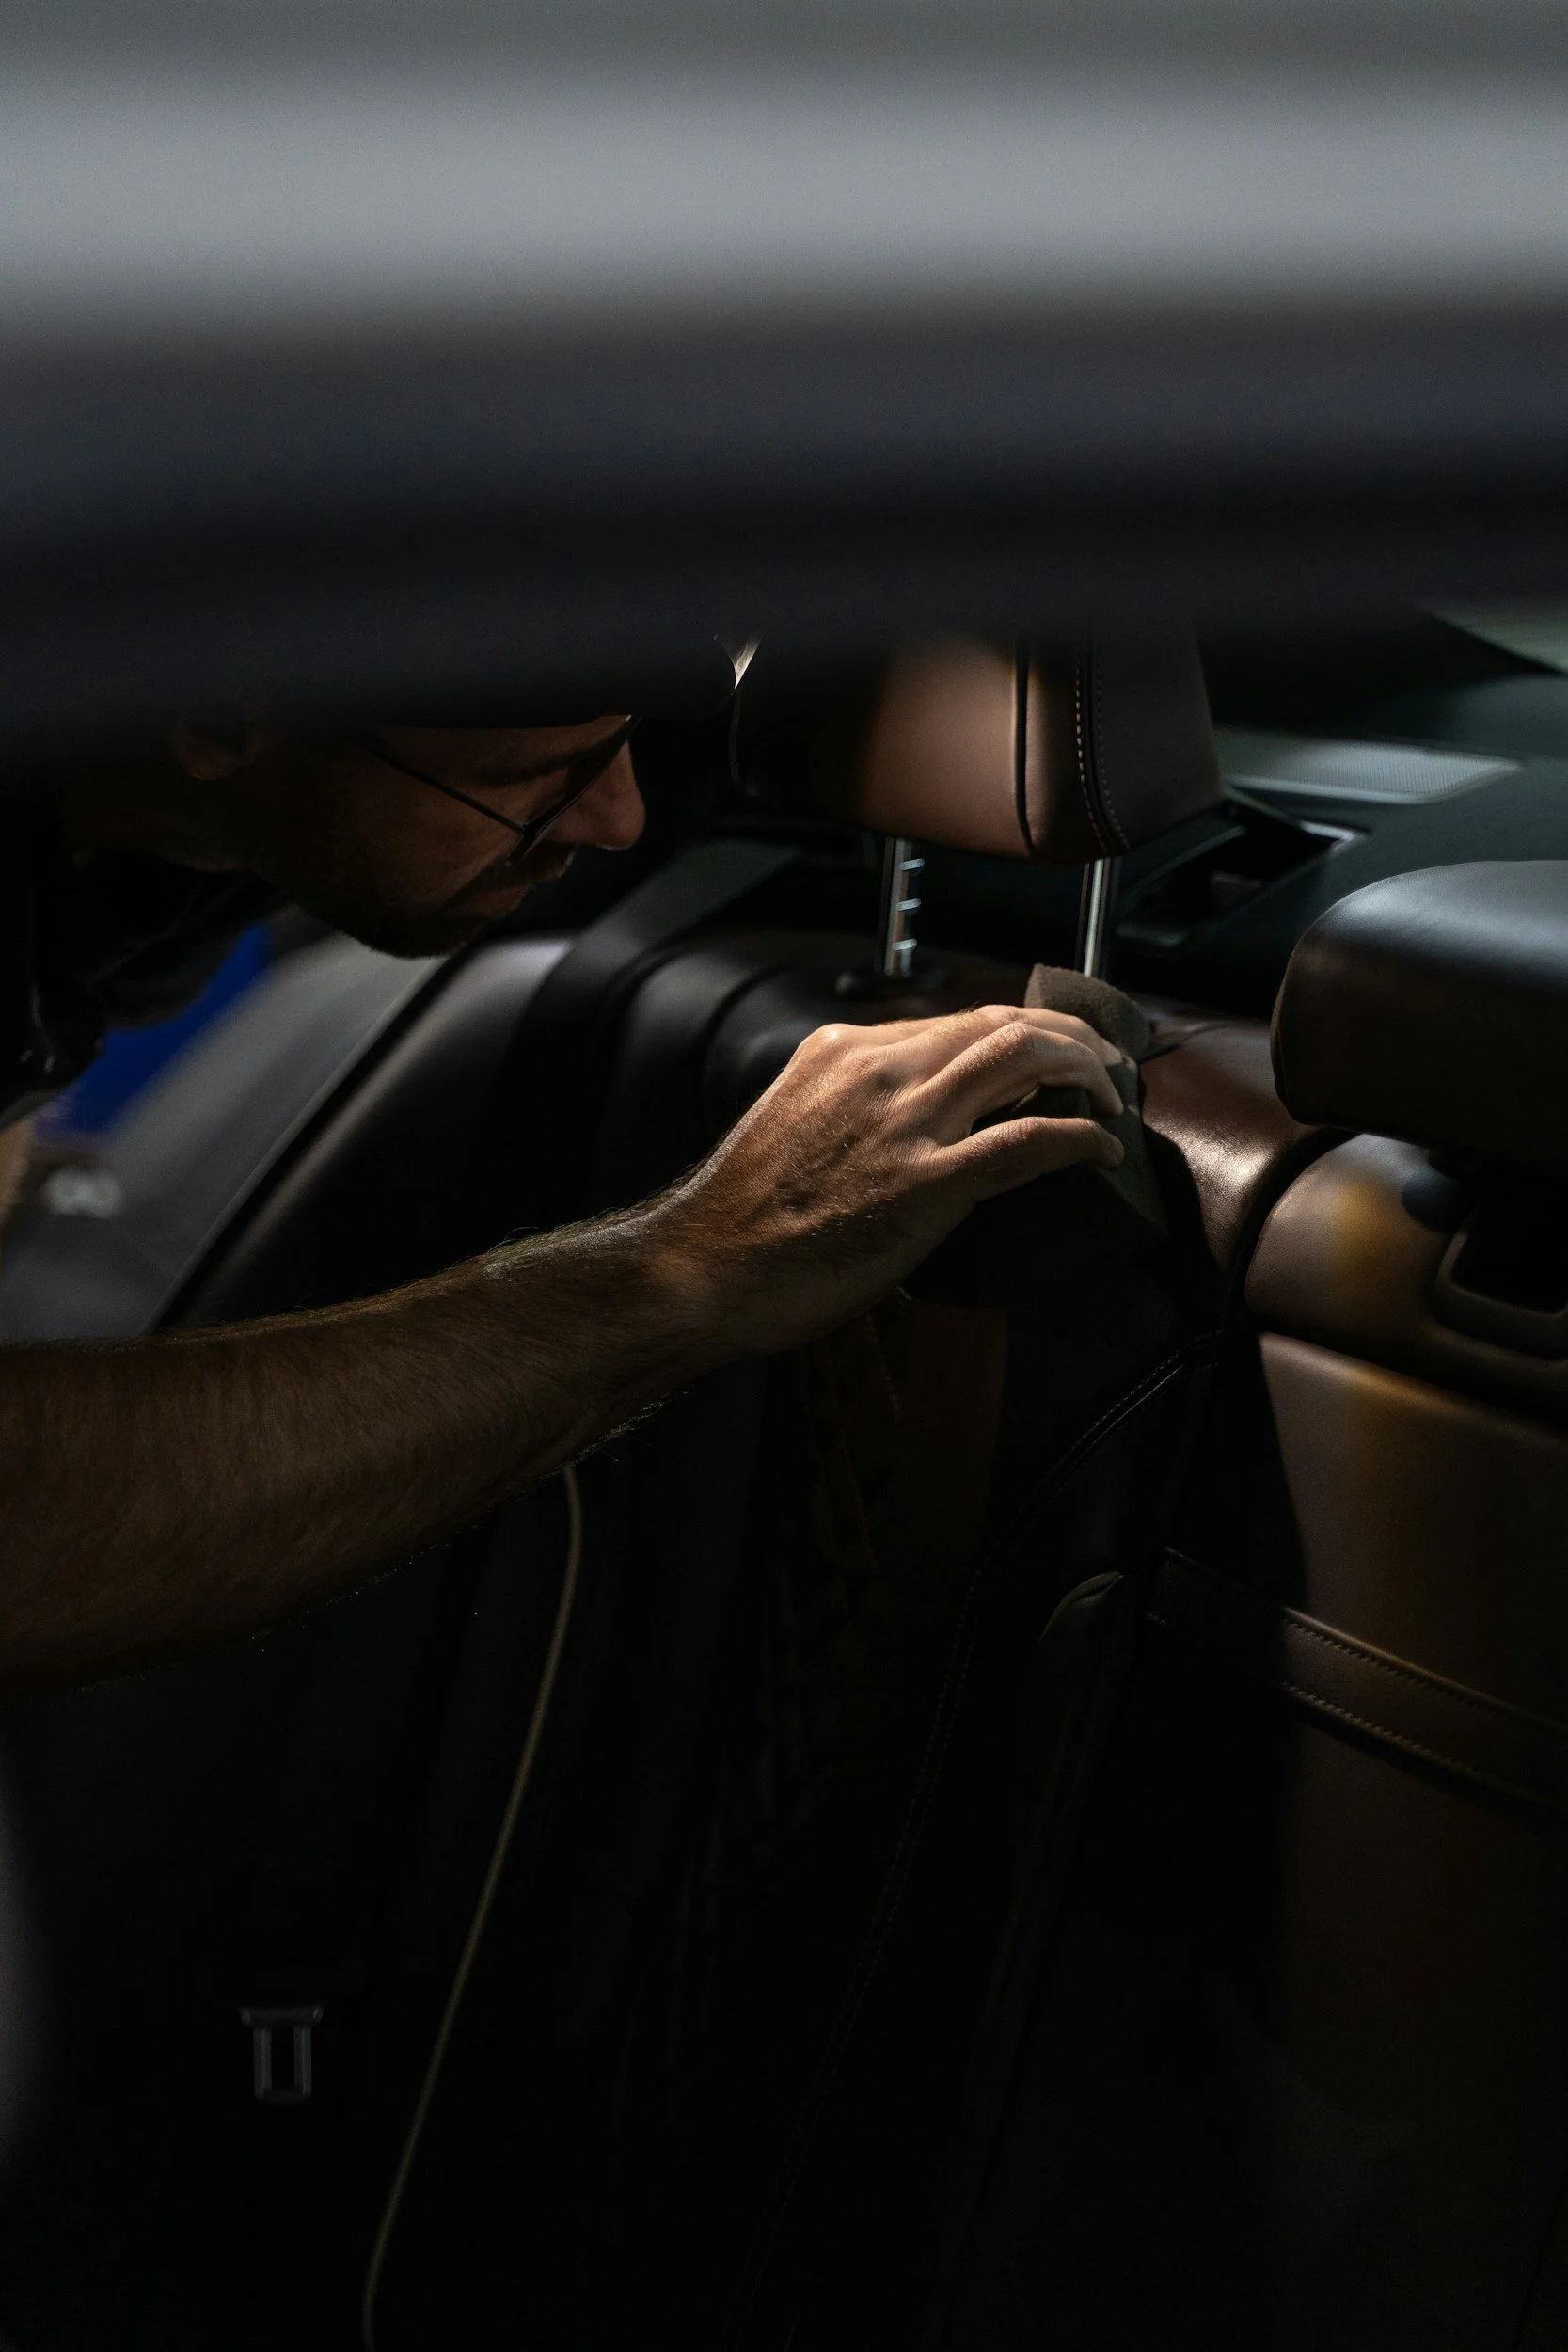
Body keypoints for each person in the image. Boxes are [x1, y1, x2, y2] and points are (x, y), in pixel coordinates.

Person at [0, 700, 1126, 1692]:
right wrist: (683, 1265)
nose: (616, 817)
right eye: (526, 776)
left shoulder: (129, 871)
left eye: (625, 735)